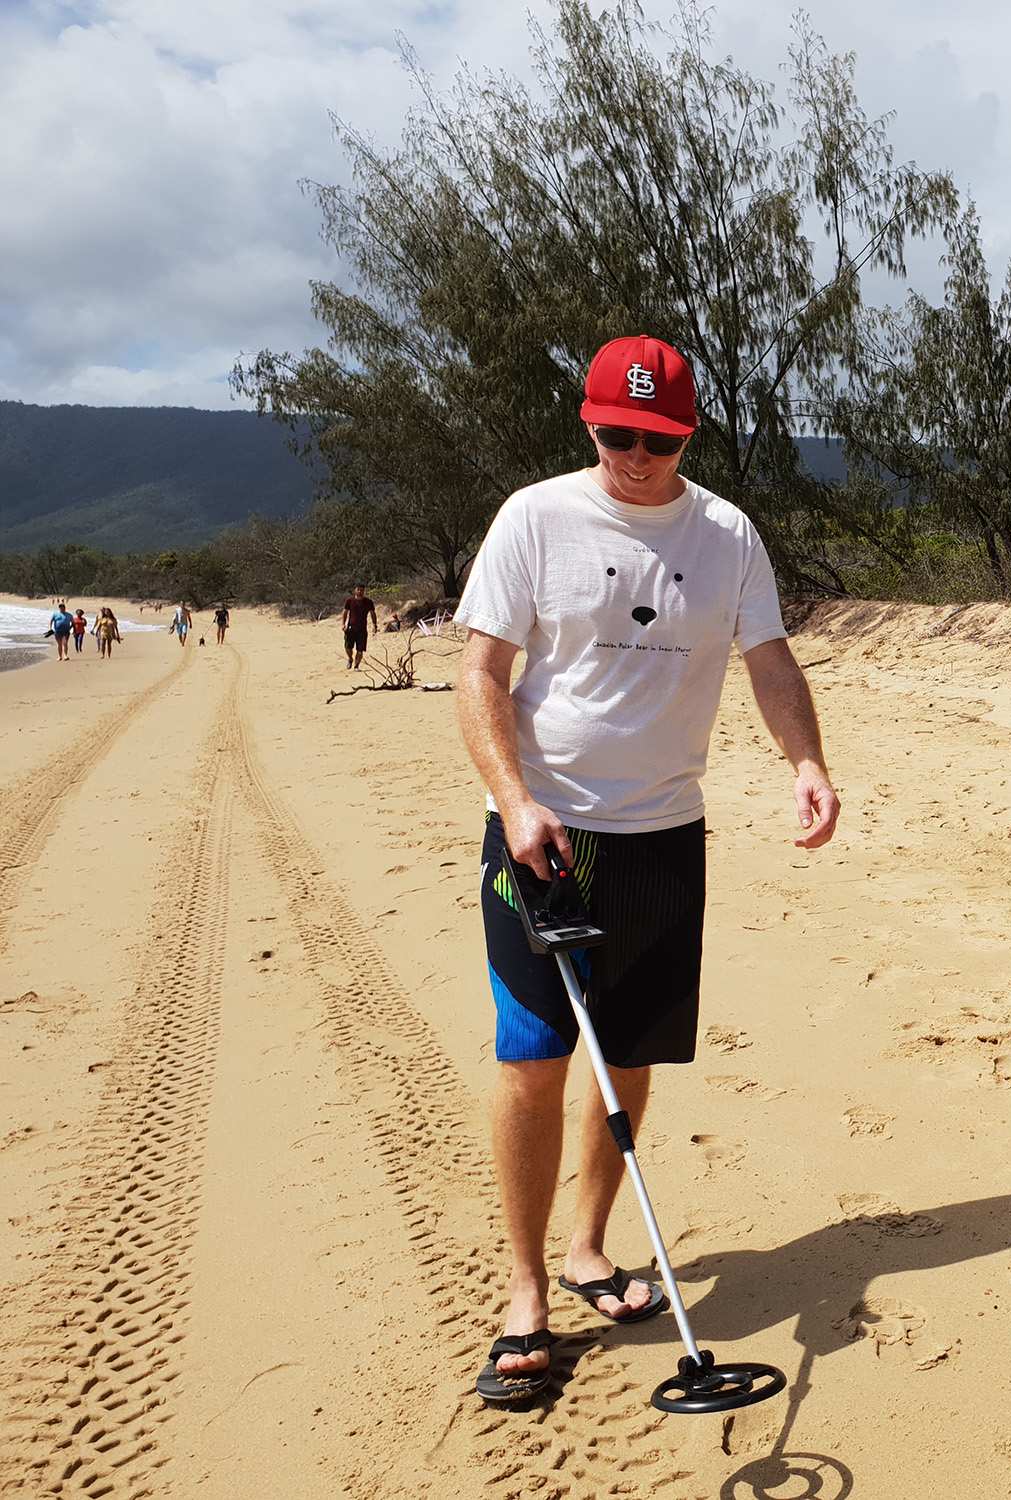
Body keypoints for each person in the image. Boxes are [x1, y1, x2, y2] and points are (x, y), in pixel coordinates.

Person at [455, 334, 841, 1403]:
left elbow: (768, 658)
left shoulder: (726, 534)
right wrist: (518, 800)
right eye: (615, 433)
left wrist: (805, 760)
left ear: (687, 434)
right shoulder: (535, 516)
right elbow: (480, 672)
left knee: (629, 1058)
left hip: (665, 835)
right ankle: (525, 1290)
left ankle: (587, 1247)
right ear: (588, 422)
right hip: (545, 836)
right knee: (532, 1058)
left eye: (656, 438)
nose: (633, 454)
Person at [340, 585, 376, 668]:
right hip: (350, 628)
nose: (360, 592)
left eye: (362, 590)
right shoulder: (349, 601)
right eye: (358, 590)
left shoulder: (368, 602)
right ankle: (350, 659)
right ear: (355, 590)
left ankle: (356, 666)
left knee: (360, 650)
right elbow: (345, 612)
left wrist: (374, 625)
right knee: (348, 647)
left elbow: (373, 613)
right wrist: (343, 624)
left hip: (362, 629)